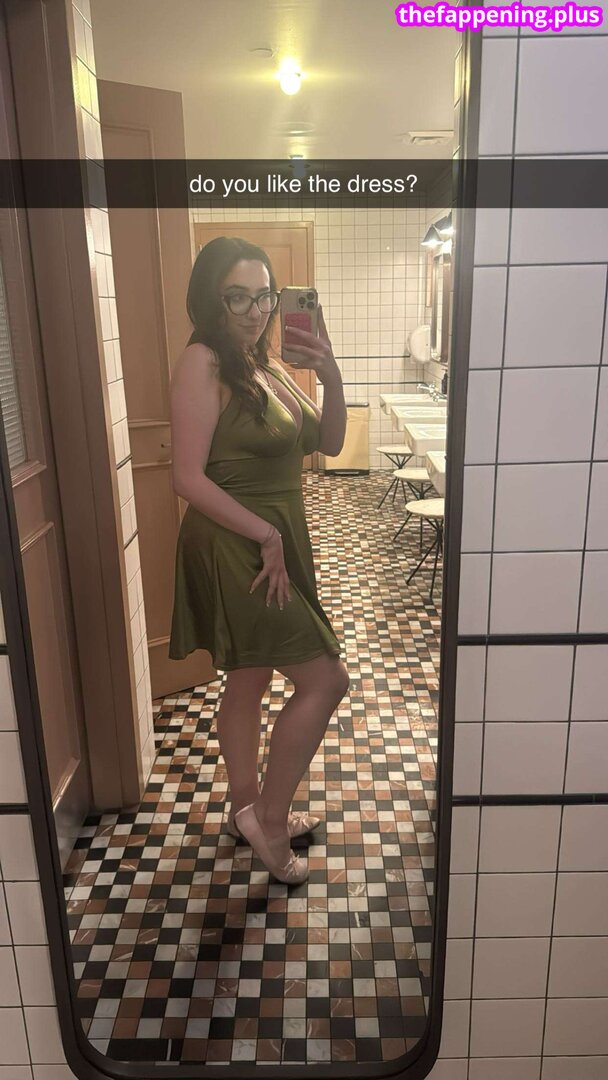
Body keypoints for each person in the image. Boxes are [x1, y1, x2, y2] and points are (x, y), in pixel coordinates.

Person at [168, 236, 350, 885]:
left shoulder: (265, 361)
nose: (255, 309)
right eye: (238, 296)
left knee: (247, 681)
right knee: (325, 681)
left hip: (275, 537)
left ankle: (246, 808)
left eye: (264, 295)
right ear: (211, 299)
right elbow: (187, 478)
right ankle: (270, 822)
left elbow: (329, 443)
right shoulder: (203, 362)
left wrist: (329, 373)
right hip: (236, 541)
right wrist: (265, 535)